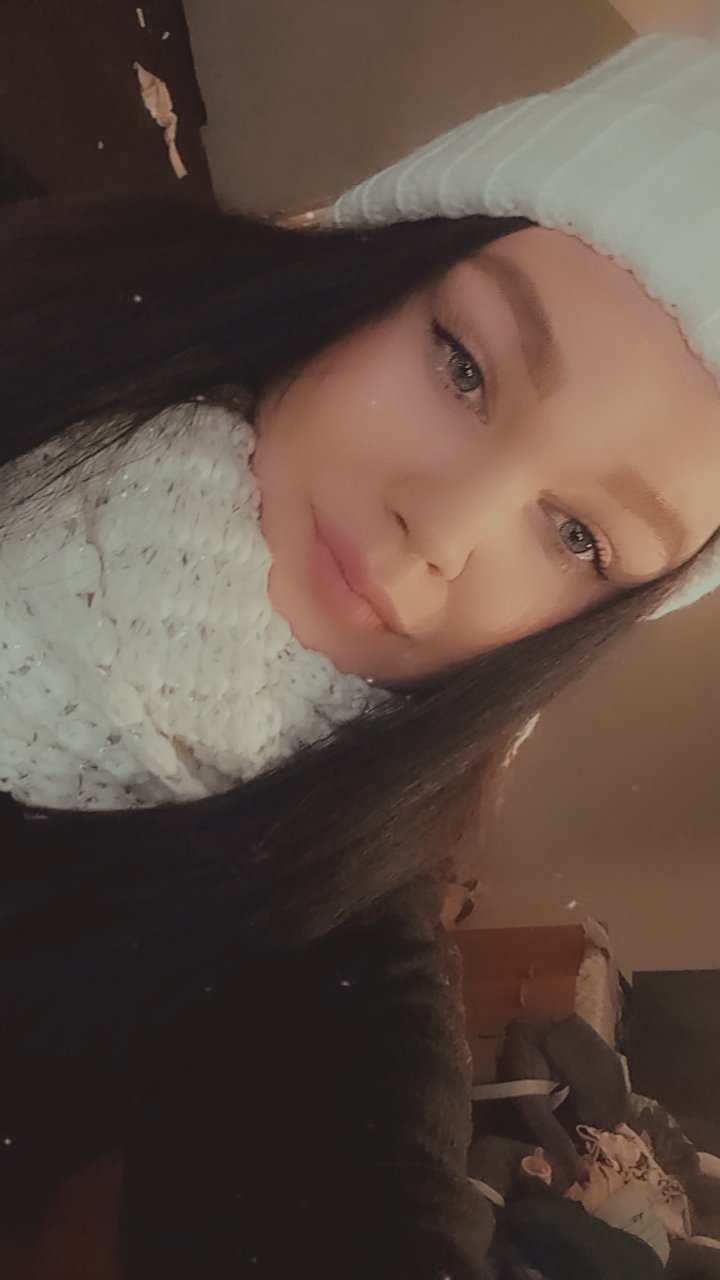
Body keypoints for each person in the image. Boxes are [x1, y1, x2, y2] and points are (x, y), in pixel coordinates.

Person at [1, 26, 720, 1277]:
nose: (439, 529)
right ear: (375, 273)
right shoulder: (50, 279)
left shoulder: (316, 931)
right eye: (463, 365)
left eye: (576, 535)